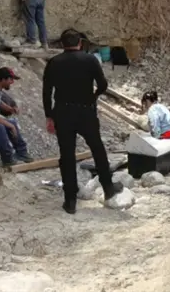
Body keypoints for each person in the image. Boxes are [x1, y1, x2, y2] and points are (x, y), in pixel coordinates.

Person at [42, 29, 123, 214]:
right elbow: (103, 85)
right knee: (97, 148)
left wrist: (49, 116)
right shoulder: (90, 60)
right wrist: (93, 97)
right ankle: (108, 188)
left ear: (62, 44)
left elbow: (47, 92)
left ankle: (70, 200)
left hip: (62, 111)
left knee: (67, 155)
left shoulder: (54, 63)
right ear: (80, 43)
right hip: (86, 111)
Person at [141, 91, 170, 168]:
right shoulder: (161, 106)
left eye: (144, 103)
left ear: (147, 101)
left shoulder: (152, 110)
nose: (145, 105)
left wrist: (155, 139)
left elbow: (155, 125)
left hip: (168, 137)